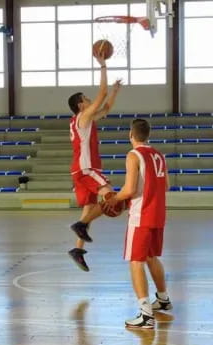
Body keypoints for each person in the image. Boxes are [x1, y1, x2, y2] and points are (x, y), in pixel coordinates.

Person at [105, 119, 172, 329]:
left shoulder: (133, 155)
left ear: (130, 135)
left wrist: (114, 199)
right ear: (148, 134)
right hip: (158, 213)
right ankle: (163, 299)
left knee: (136, 261)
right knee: (151, 257)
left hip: (141, 215)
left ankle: (145, 314)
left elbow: (130, 189)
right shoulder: (159, 155)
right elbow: (167, 186)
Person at [67, 51, 122, 272]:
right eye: (86, 99)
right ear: (81, 105)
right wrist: (102, 66)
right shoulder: (83, 117)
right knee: (111, 195)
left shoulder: (83, 120)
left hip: (80, 170)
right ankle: (80, 226)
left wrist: (115, 93)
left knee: (89, 209)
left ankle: (77, 250)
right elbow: (102, 92)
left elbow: (106, 108)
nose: (90, 100)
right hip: (86, 168)